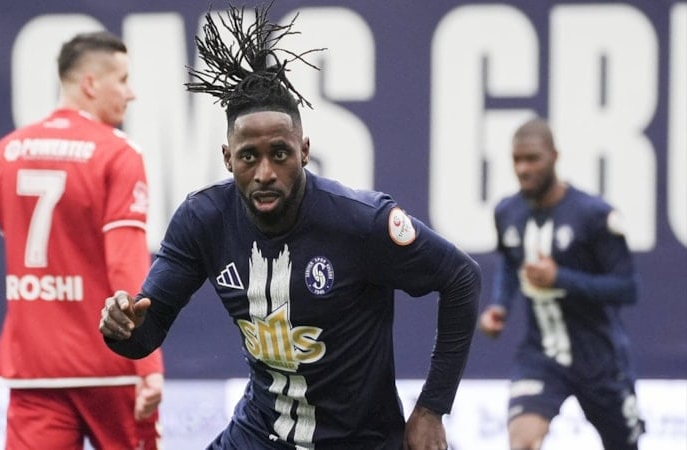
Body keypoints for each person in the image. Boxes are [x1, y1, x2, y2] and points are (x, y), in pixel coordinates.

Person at [99, 4, 480, 450]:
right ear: (228, 158)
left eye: (279, 154)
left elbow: (461, 277)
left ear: (304, 151)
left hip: (360, 441)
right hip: (259, 435)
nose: (265, 173)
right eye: (249, 157)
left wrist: (432, 407)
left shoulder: (361, 221)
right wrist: (121, 329)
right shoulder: (203, 220)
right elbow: (146, 333)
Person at [0, 30, 164, 450]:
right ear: (90, 83)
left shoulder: (6, 152)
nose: (131, 93)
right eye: (123, 80)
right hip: (112, 366)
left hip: (34, 367)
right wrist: (148, 361)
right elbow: (125, 265)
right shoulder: (118, 153)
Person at [478, 118, 645, 450]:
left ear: (554, 156)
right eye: (516, 160)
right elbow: (510, 263)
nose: (523, 169)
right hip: (541, 354)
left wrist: (560, 279)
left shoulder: (594, 214)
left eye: (532, 159)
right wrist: (500, 305)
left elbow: (627, 288)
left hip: (599, 359)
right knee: (523, 441)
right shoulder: (507, 212)